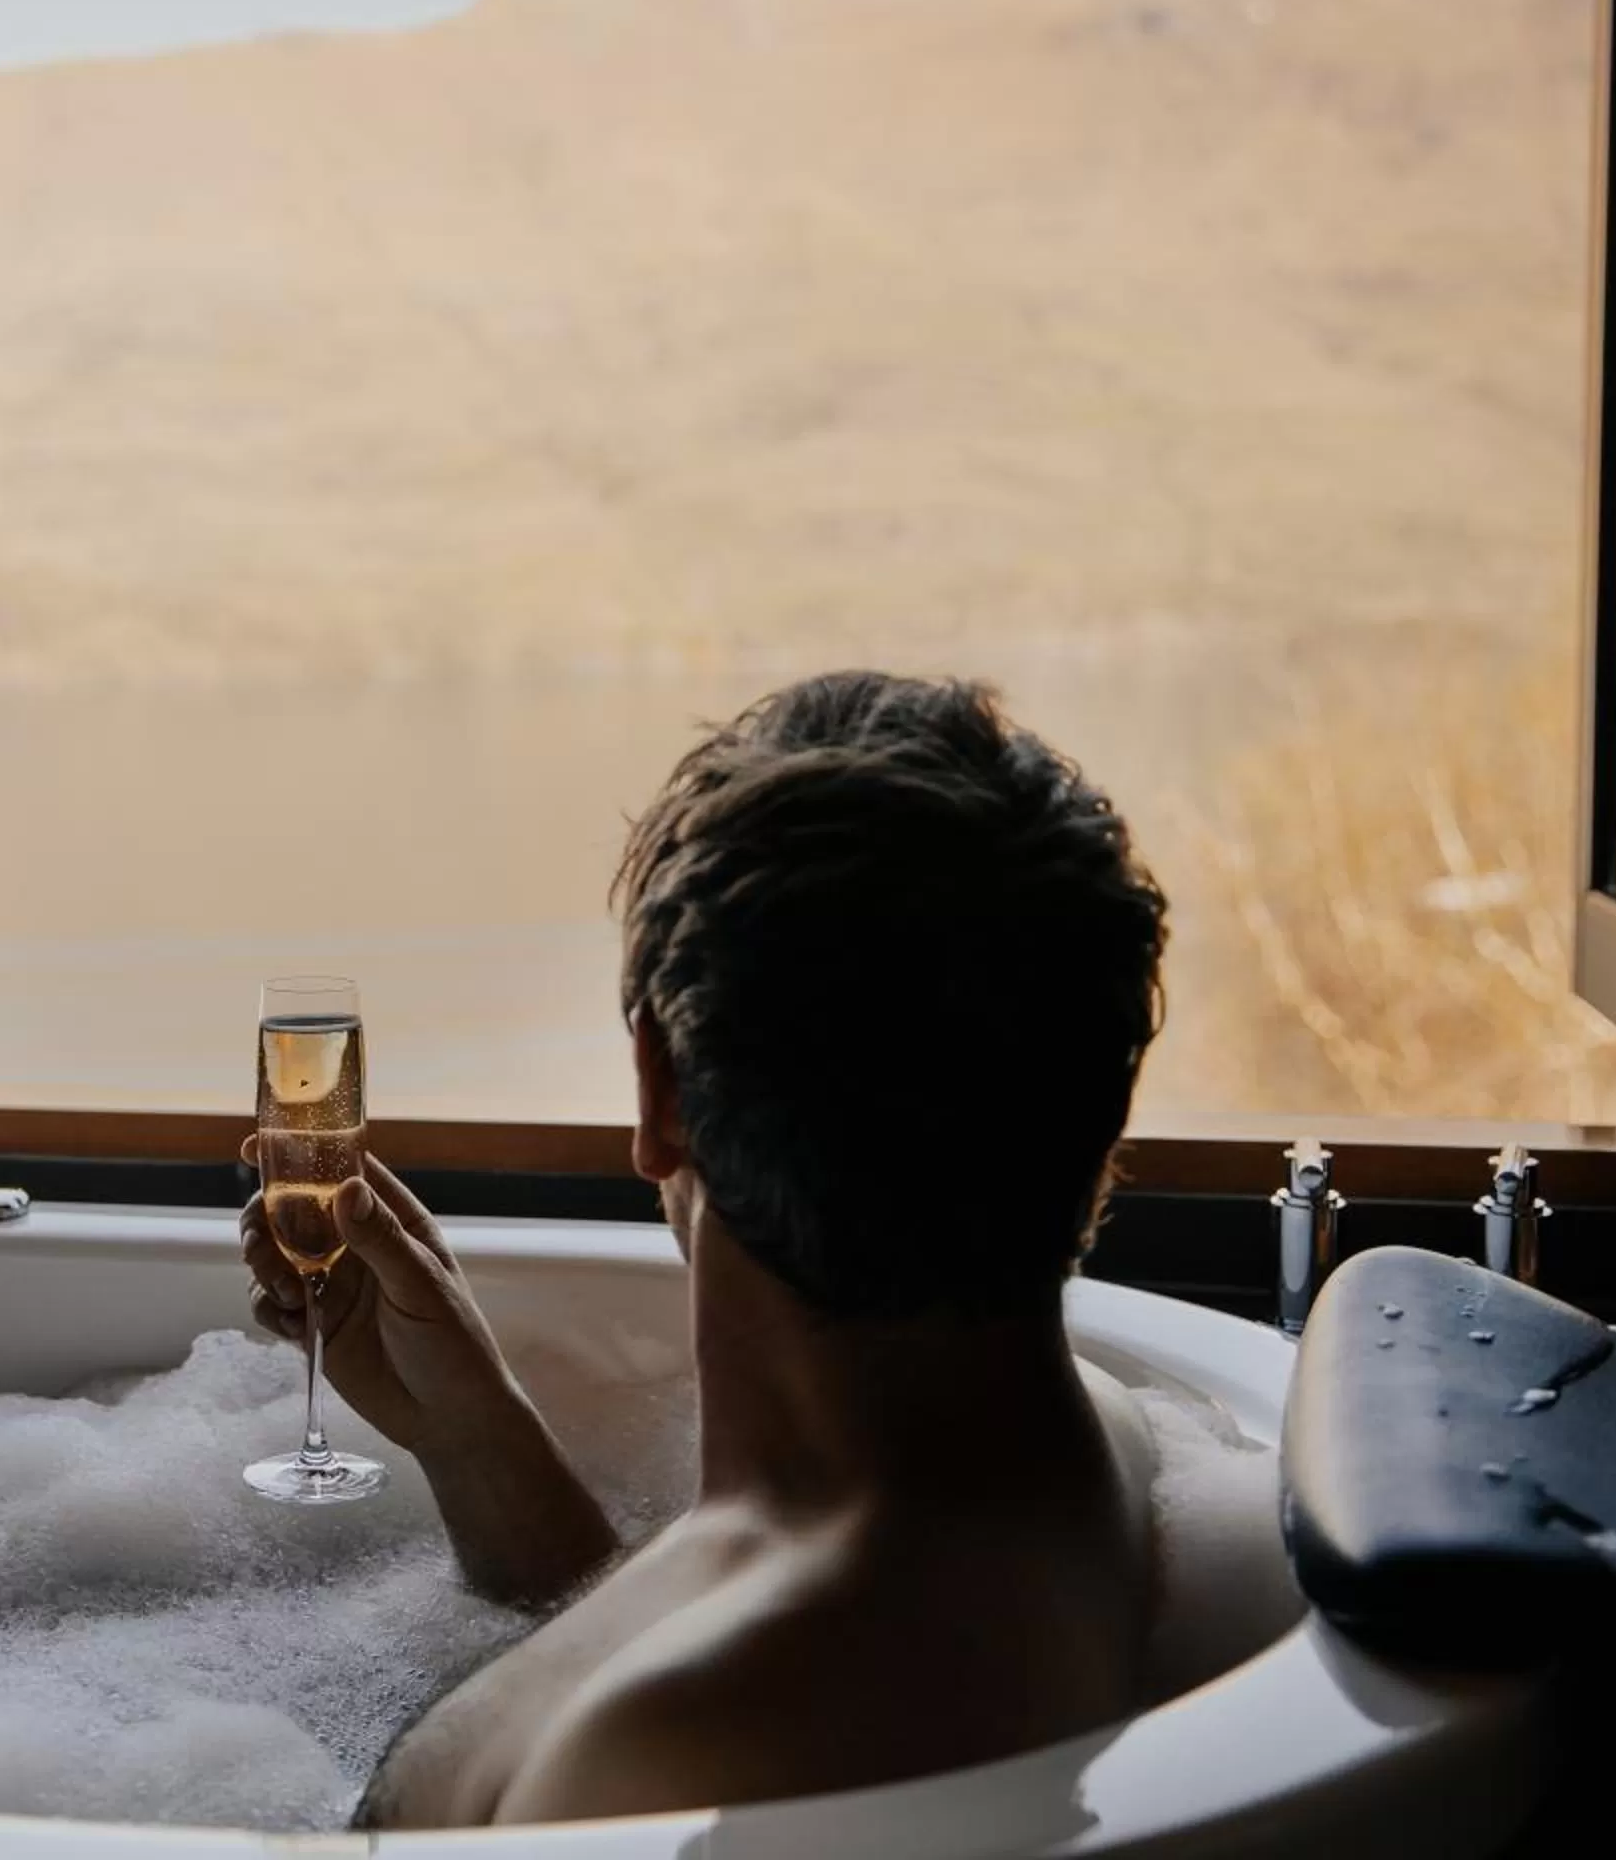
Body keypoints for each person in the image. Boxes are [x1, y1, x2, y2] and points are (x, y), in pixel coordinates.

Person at [241, 670, 1288, 1828]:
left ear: (661, 1091)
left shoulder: (670, 1747)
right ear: (1099, 1110)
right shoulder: (1117, 1461)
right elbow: (709, 1608)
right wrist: (473, 1436)